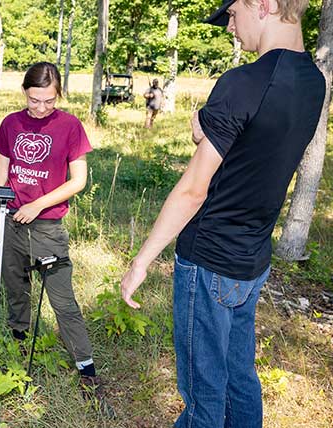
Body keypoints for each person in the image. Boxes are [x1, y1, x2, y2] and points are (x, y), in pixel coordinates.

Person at [120, 1, 325, 427]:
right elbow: (258, 153)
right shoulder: (313, 81)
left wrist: (141, 261)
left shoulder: (243, 81)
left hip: (209, 261)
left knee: (204, 402)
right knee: (240, 381)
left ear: (263, 5)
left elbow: (193, 190)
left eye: (232, 14)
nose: (230, 27)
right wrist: (209, 129)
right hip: (252, 263)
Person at [0, 62, 103, 395]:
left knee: (63, 300)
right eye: (34, 100)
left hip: (47, 228)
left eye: (49, 100)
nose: (41, 108)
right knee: (15, 289)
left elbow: (79, 181)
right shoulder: (12, 123)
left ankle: (86, 366)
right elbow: (1, 173)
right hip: (10, 222)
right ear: (25, 93)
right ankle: (19, 342)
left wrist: (38, 205)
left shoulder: (70, 126)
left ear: (59, 95)